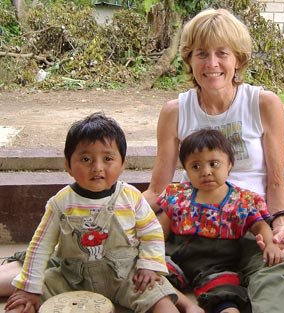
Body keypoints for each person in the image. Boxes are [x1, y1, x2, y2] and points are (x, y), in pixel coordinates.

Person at [142, 7, 284, 313]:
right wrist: (115, 211)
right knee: (140, 269)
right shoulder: (175, 111)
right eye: (201, 53)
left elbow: (277, 183)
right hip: (192, 230)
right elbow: (158, 190)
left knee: (279, 276)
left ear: (238, 59)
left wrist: (281, 223)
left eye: (222, 53)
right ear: (188, 58)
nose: (211, 63)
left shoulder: (263, 104)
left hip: (249, 228)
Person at [4, 112, 180, 313]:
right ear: (68, 165)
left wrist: (149, 265)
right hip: (70, 278)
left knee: (163, 302)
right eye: (86, 159)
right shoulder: (61, 202)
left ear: (122, 164)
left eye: (107, 158)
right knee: (21, 303)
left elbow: (151, 232)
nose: (97, 167)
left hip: (126, 277)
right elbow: (40, 245)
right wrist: (30, 287)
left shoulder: (131, 197)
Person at [158, 128, 284, 313]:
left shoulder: (242, 200)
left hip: (217, 264)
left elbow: (260, 225)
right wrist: (152, 252)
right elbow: (162, 229)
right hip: (177, 256)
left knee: (226, 293)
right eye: (196, 166)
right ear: (185, 169)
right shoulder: (178, 195)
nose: (206, 172)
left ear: (229, 164)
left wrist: (271, 245)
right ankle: (183, 304)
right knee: (152, 275)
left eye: (214, 163)